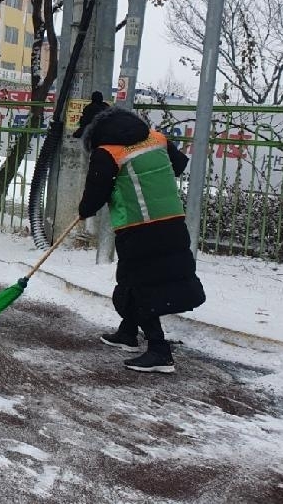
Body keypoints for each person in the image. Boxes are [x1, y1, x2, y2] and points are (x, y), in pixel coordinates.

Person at [78, 106, 205, 374]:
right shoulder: (157, 139)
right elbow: (179, 165)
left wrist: (84, 211)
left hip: (139, 227)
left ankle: (159, 350)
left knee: (140, 285)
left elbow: (93, 198)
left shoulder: (107, 152)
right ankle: (127, 333)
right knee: (135, 280)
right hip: (171, 220)